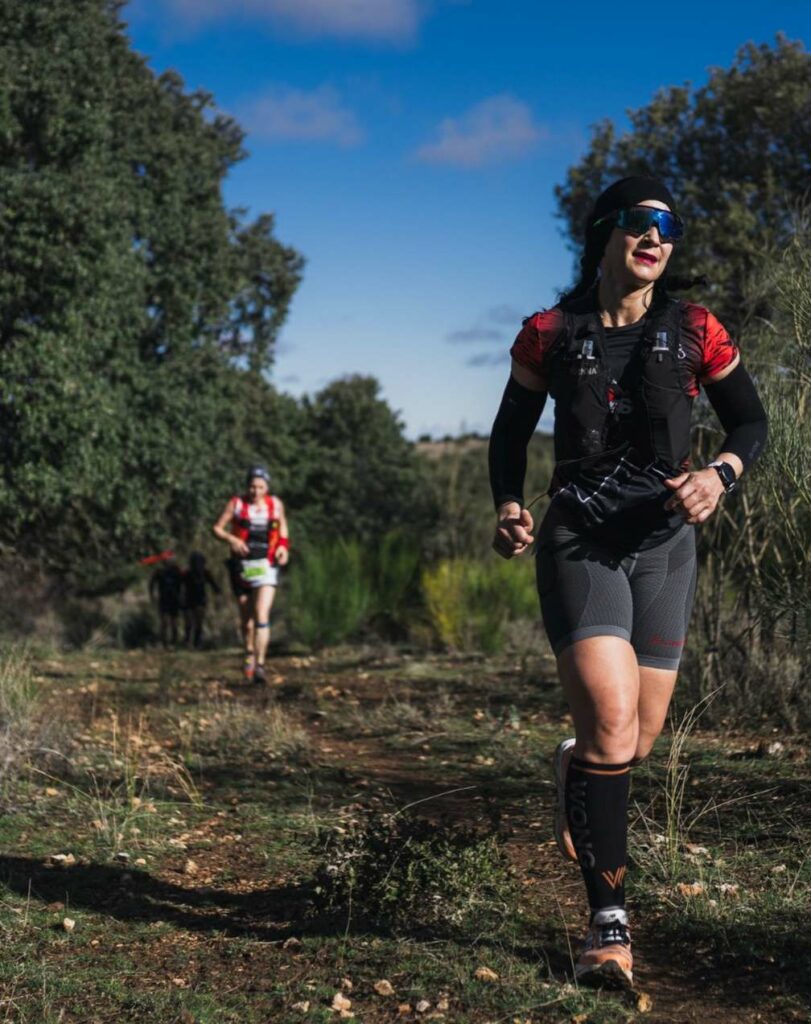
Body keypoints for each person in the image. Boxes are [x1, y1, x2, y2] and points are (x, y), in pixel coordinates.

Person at [488, 176, 767, 988]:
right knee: (615, 726)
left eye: (670, 227)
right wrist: (509, 503)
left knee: (632, 743)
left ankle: (576, 764)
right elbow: (509, 434)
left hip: (664, 545)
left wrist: (720, 472)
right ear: (605, 231)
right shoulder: (548, 332)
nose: (657, 238)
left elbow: (749, 420)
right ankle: (608, 931)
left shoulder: (695, 329)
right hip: (580, 541)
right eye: (642, 223)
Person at [212, 466, 289, 685]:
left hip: (266, 564)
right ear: (247, 487)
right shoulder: (236, 504)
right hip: (242, 565)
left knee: (261, 613)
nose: (256, 491)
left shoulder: (275, 504)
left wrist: (283, 546)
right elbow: (217, 528)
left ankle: (260, 665)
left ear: (267, 487)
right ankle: (248, 652)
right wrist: (232, 540)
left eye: (261, 487)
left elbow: (283, 527)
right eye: (252, 487)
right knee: (247, 621)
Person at [181, 551, 221, 649]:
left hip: (199, 600)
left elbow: (214, 586)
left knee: (198, 622)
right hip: (188, 600)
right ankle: (188, 641)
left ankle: (196, 642)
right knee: (189, 623)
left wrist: (218, 594)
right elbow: (179, 586)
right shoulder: (187, 573)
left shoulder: (205, 573)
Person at [148, 553, 183, 648]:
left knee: (174, 622)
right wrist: (152, 596)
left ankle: (174, 642)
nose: (169, 561)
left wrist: (182, 597)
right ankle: (164, 643)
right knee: (164, 622)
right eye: (167, 560)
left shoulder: (177, 570)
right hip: (164, 599)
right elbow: (151, 584)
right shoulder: (159, 571)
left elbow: (184, 582)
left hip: (174, 599)